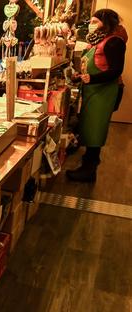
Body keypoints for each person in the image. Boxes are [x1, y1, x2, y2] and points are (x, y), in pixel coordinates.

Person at [67, 9, 127, 182]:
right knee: (89, 126)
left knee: (96, 129)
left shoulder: (114, 42)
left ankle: (89, 170)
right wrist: (81, 76)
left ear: (106, 23)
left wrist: (92, 78)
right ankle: (87, 163)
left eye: (95, 22)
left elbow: (116, 71)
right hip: (93, 90)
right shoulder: (98, 41)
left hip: (104, 93)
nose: (91, 26)